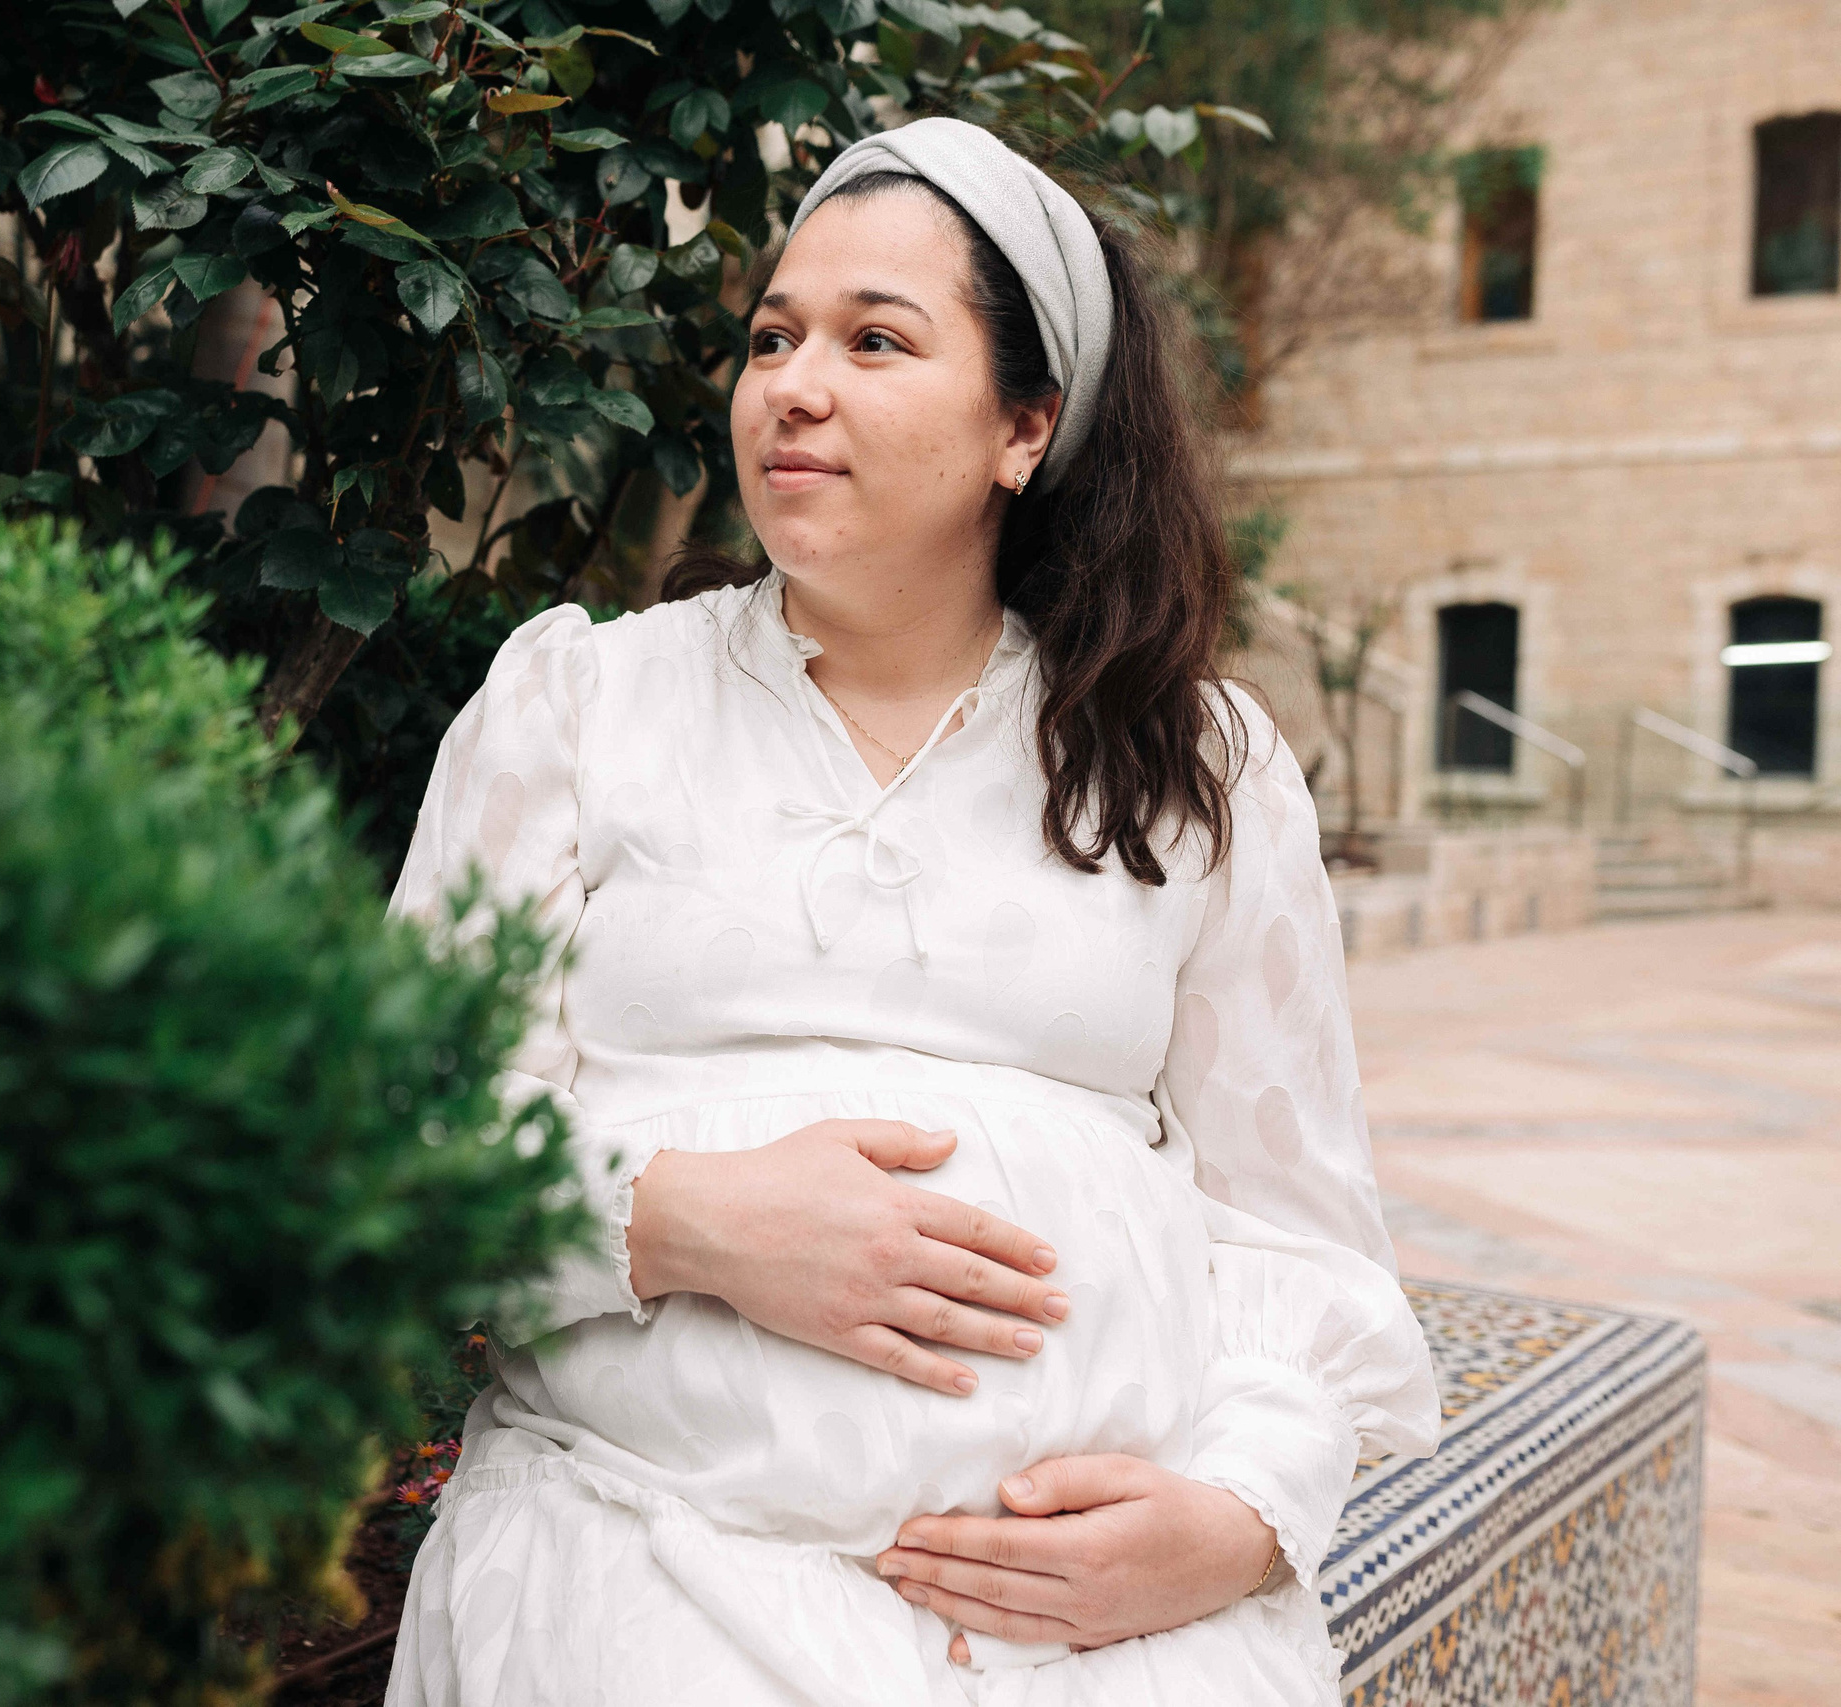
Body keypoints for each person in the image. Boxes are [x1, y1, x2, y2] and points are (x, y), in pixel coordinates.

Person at [380, 117, 1439, 1706]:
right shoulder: (581, 706)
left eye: (876, 340)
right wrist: (679, 1222)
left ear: (1027, 426)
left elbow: (1295, 1227)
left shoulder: (1193, 764)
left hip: (1102, 1639)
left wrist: (1233, 1521)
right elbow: (396, 1143)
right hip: (642, 1563)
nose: (794, 385)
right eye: (770, 339)